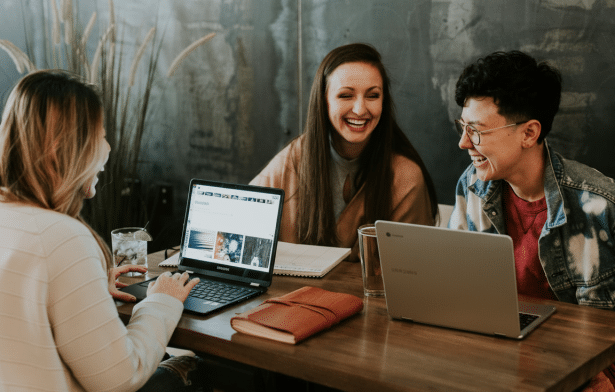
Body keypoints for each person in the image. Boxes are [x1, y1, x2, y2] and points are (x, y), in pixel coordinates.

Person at [0, 70, 210, 392]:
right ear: (63, 148)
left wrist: (87, 284)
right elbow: (120, 378)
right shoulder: (62, 238)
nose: (108, 148)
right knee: (194, 368)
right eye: (99, 136)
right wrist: (161, 302)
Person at [449, 50, 615, 390]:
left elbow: (603, 338)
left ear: (529, 133)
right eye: (462, 127)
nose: (464, 142)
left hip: (583, 370)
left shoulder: (598, 204)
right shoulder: (473, 186)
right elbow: (459, 296)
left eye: (476, 131)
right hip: (500, 361)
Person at [251, 43, 438, 261]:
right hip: (291, 295)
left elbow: (411, 273)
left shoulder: (406, 177)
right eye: (346, 96)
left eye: (373, 95)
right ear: (324, 101)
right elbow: (240, 220)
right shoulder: (295, 157)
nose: (360, 109)